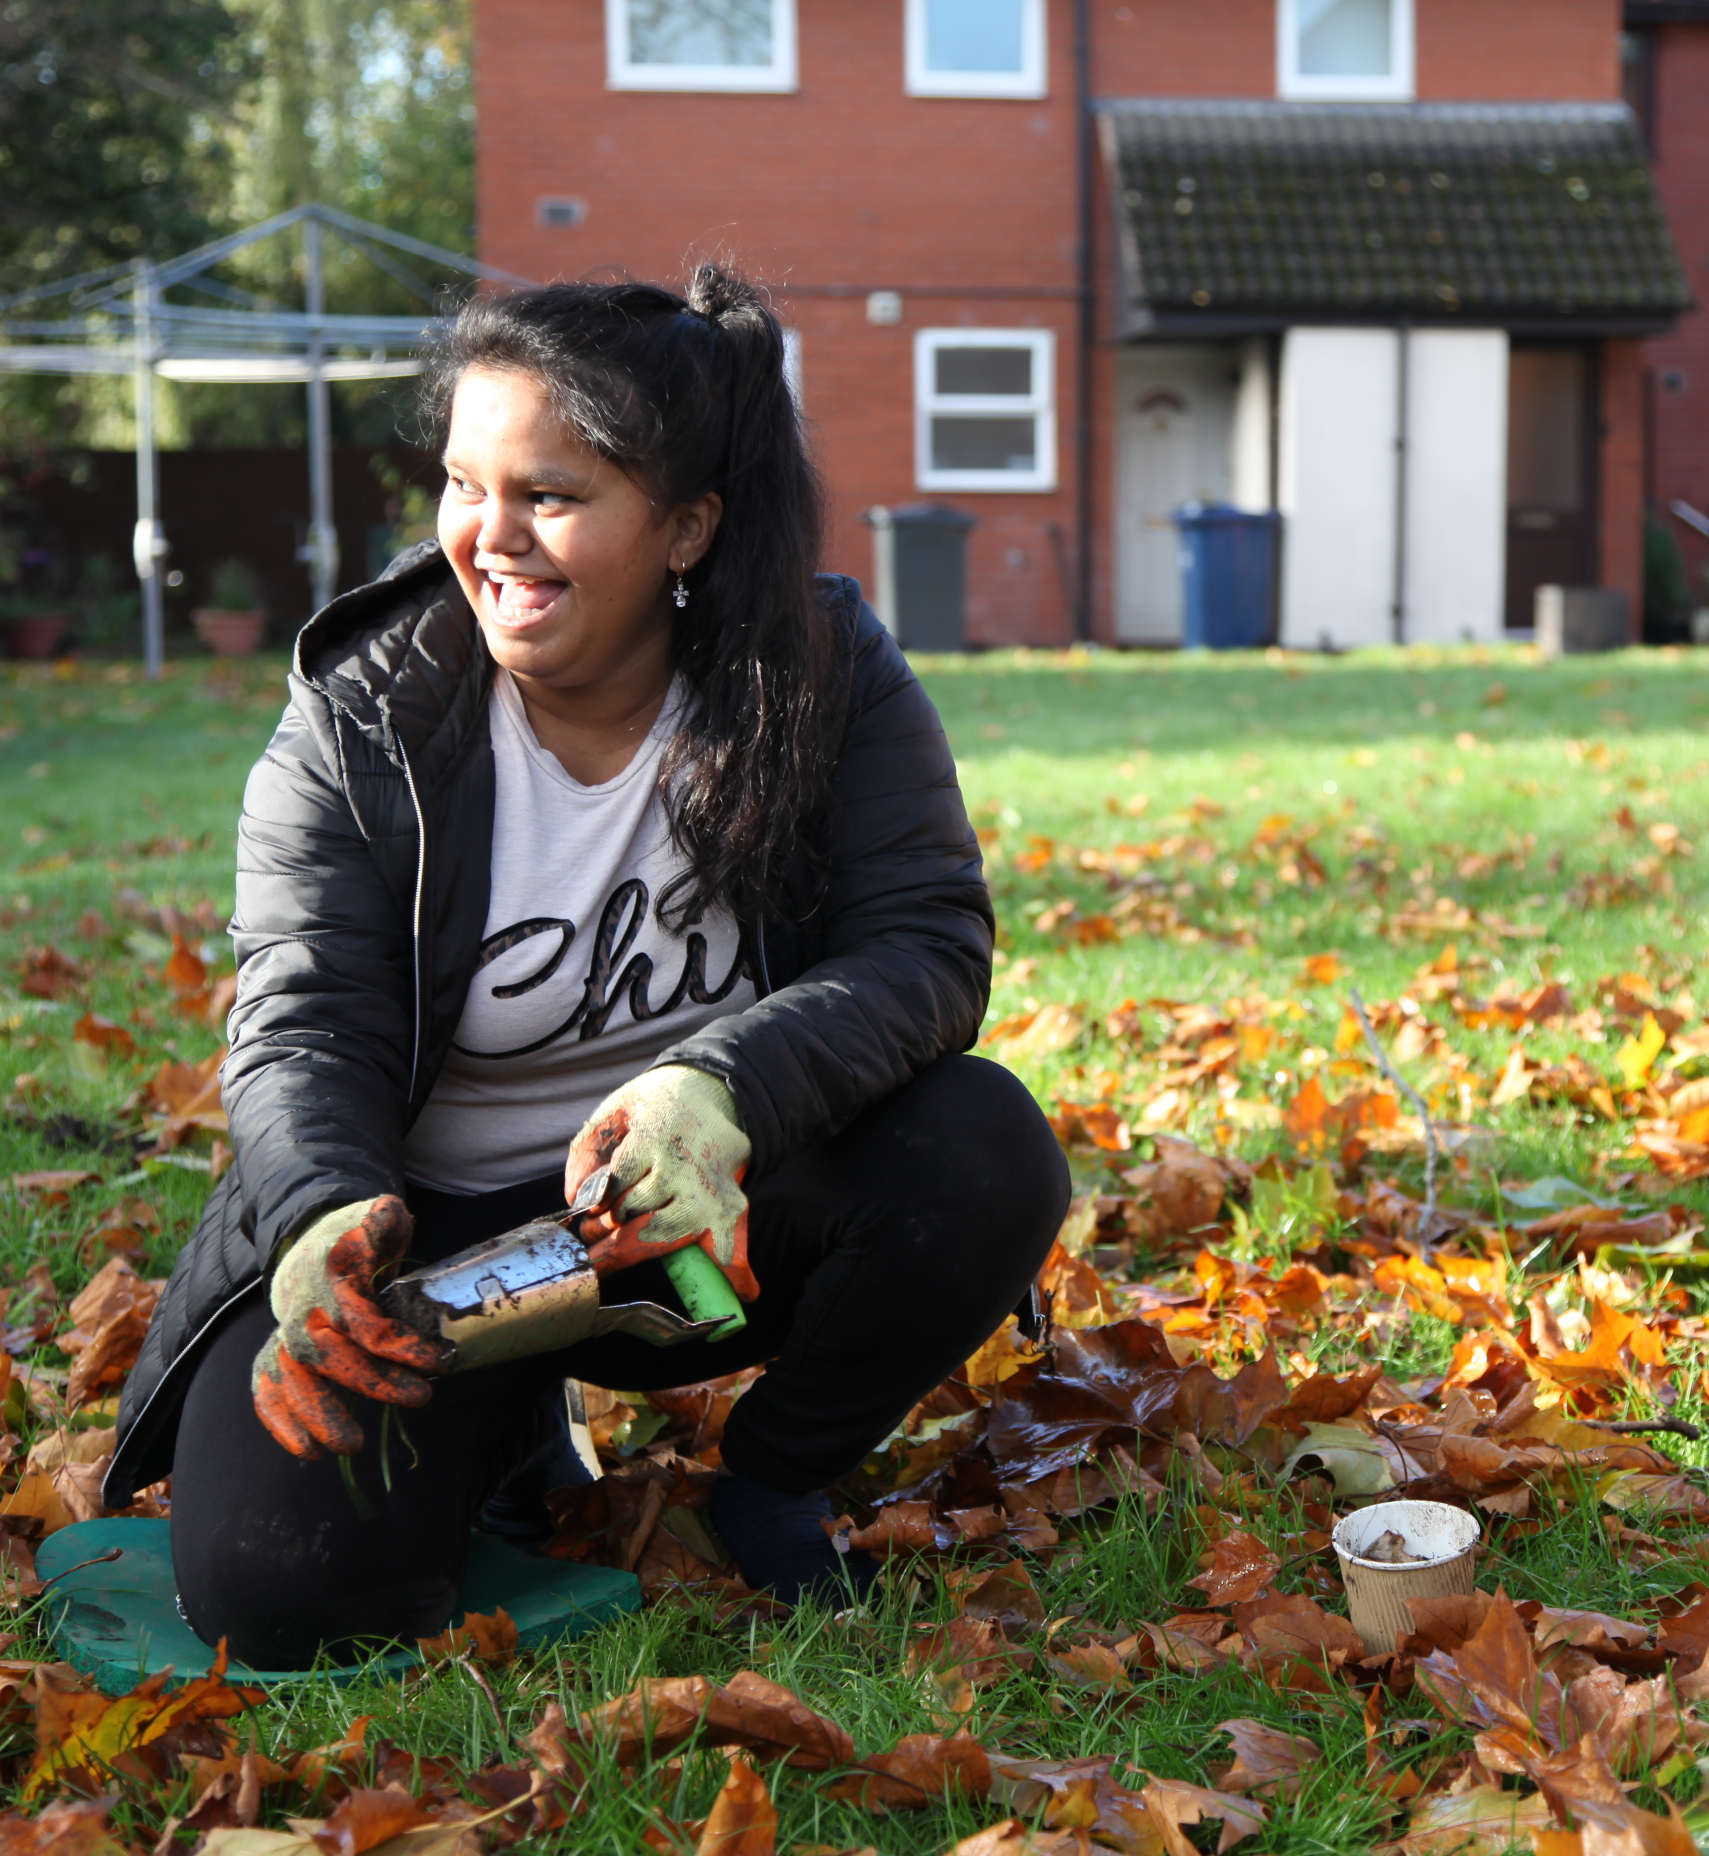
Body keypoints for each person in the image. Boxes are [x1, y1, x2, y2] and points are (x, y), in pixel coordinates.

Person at [103, 269, 1068, 1670]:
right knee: (279, 1594)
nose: (489, 538)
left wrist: (722, 1088)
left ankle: (775, 1478)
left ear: (686, 526)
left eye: (548, 496)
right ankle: (501, 1415)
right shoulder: (359, 724)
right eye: (462, 483)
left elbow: (924, 944)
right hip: (423, 1254)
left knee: (983, 1149)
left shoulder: (820, 671)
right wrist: (318, 1211)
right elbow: (302, 1018)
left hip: (688, 1224)